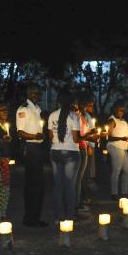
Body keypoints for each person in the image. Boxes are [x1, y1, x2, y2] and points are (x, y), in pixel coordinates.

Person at [16, 84, 47, 227]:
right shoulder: (24, 109)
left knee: (38, 184)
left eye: (38, 92)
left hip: (38, 147)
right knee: (33, 184)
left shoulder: (37, 109)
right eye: (33, 92)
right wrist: (35, 136)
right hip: (30, 147)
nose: (36, 94)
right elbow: (20, 132)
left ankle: (34, 216)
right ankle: (30, 218)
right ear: (27, 93)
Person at [48, 91, 81, 222]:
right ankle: (70, 216)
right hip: (71, 153)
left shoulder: (51, 116)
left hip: (55, 152)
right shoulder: (74, 116)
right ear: (71, 103)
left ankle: (57, 217)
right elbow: (76, 139)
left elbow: (50, 137)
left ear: (58, 102)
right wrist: (87, 136)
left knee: (58, 186)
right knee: (70, 186)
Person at [75, 94, 97, 212]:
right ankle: (79, 200)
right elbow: (80, 135)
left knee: (84, 175)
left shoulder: (86, 116)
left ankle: (83, 198)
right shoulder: (77, 116)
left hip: (85, 145)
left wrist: (91, 144)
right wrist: (90, 139)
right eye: (90, 105)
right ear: (84, 105)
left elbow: (88, 132)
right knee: (80, 177)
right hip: (79, 147)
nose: (92, 107)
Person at [106, 101, 128, 200]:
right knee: (117, 169)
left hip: (123, 147)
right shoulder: (112, 120)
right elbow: (109, 136)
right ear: (115, 110)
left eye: (123, 111)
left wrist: (126, 139)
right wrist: (121, 138)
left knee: (127, 169)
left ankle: (124, 192)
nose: (122, 112)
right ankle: (114, 193)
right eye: (120, 110)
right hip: (115, 146)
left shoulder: (123, 120)